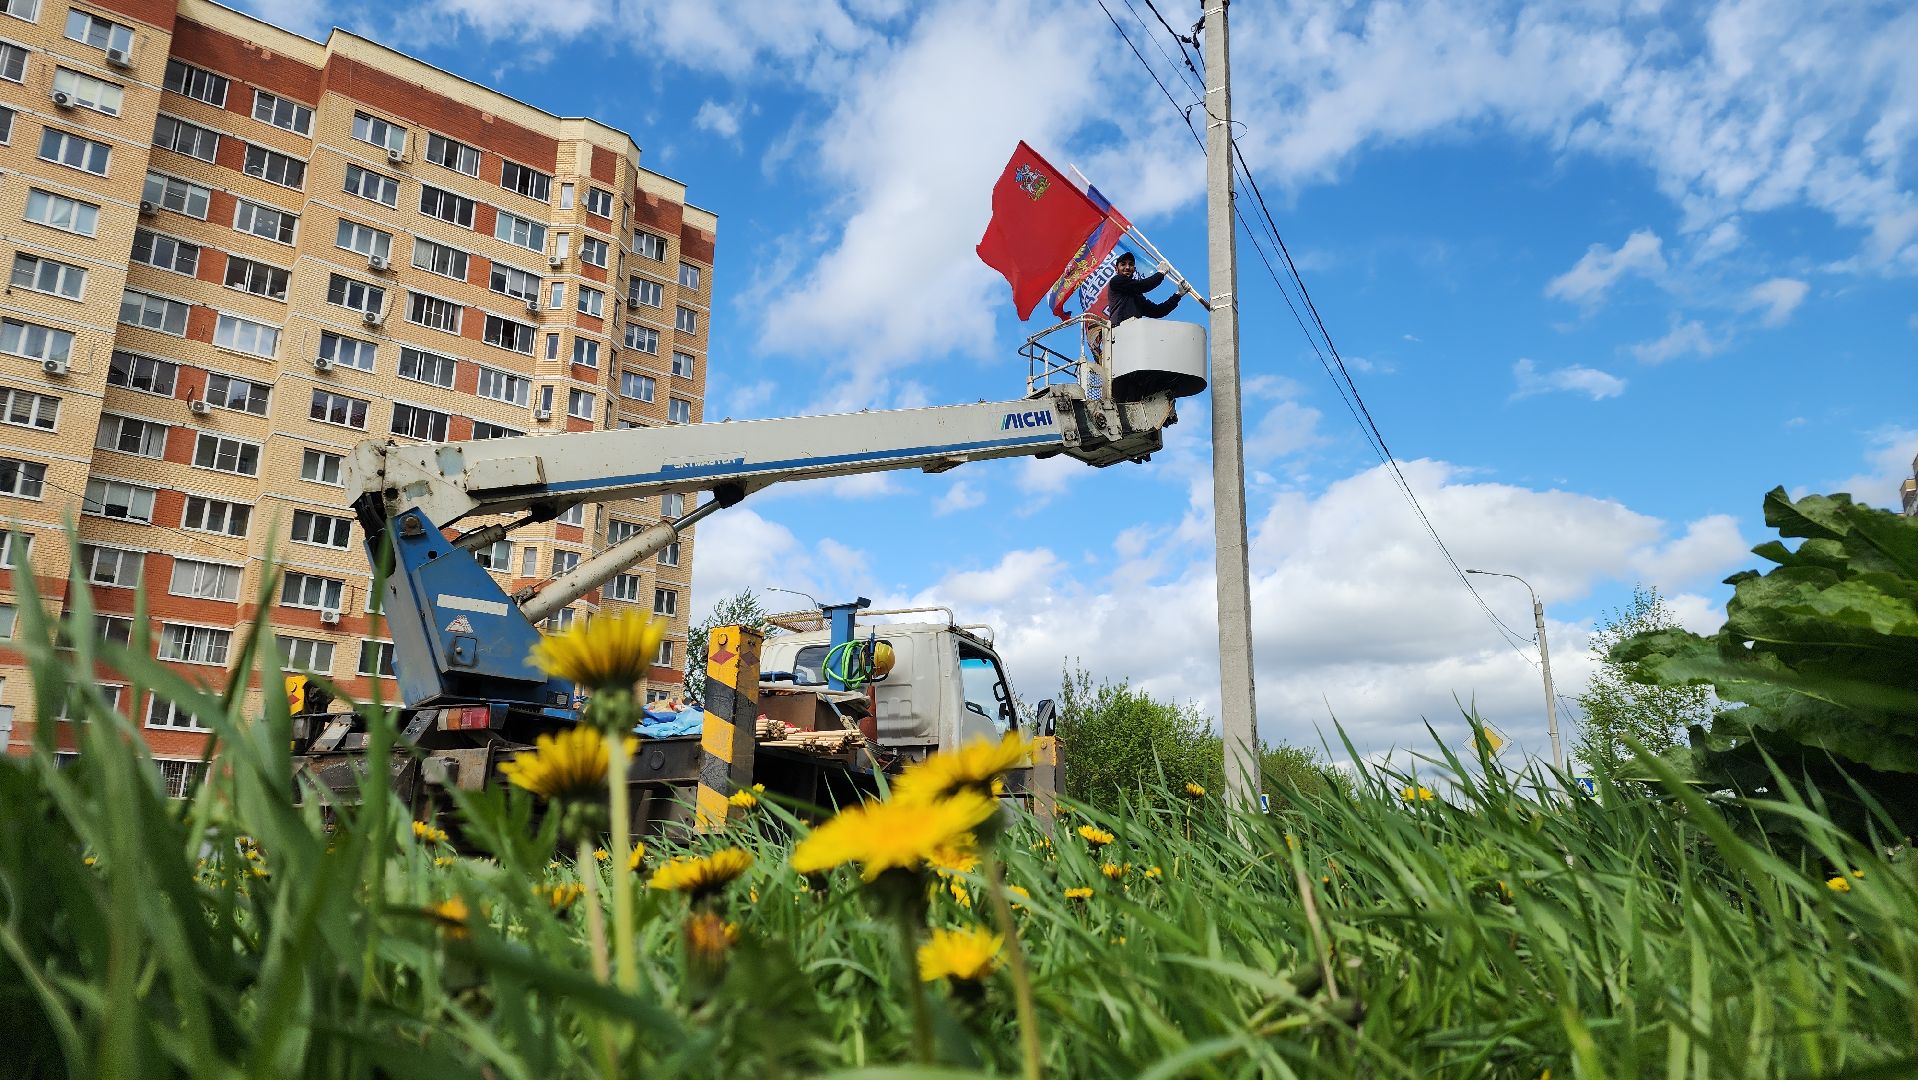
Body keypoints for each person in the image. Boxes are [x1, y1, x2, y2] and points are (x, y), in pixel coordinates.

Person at [1105, 252, 1184, 327]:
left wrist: (1178, 294)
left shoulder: (1137, 297)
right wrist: (1160, 273)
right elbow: (1143, 286)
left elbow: (1157, 311)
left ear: (1134, 269)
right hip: (1118, 333)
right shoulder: (1116, 281)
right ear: (1116, 269)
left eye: (1131, 264)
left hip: (1134, 335)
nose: (1127, 267)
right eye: (1123, 264)